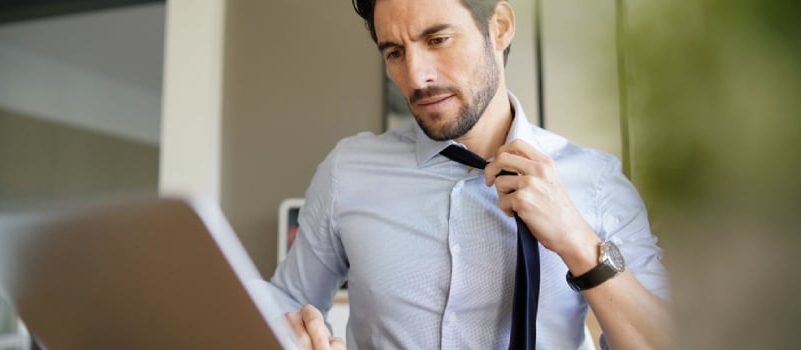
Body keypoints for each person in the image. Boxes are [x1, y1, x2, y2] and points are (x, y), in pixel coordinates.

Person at [267, 0, 673, 349]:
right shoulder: (347, 172)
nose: (416, 77)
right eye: (394, 52)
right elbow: (287, 303)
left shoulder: (597, 182)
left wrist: (578, 241)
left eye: (437, 40)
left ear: (499, 28)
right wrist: (295, 336)